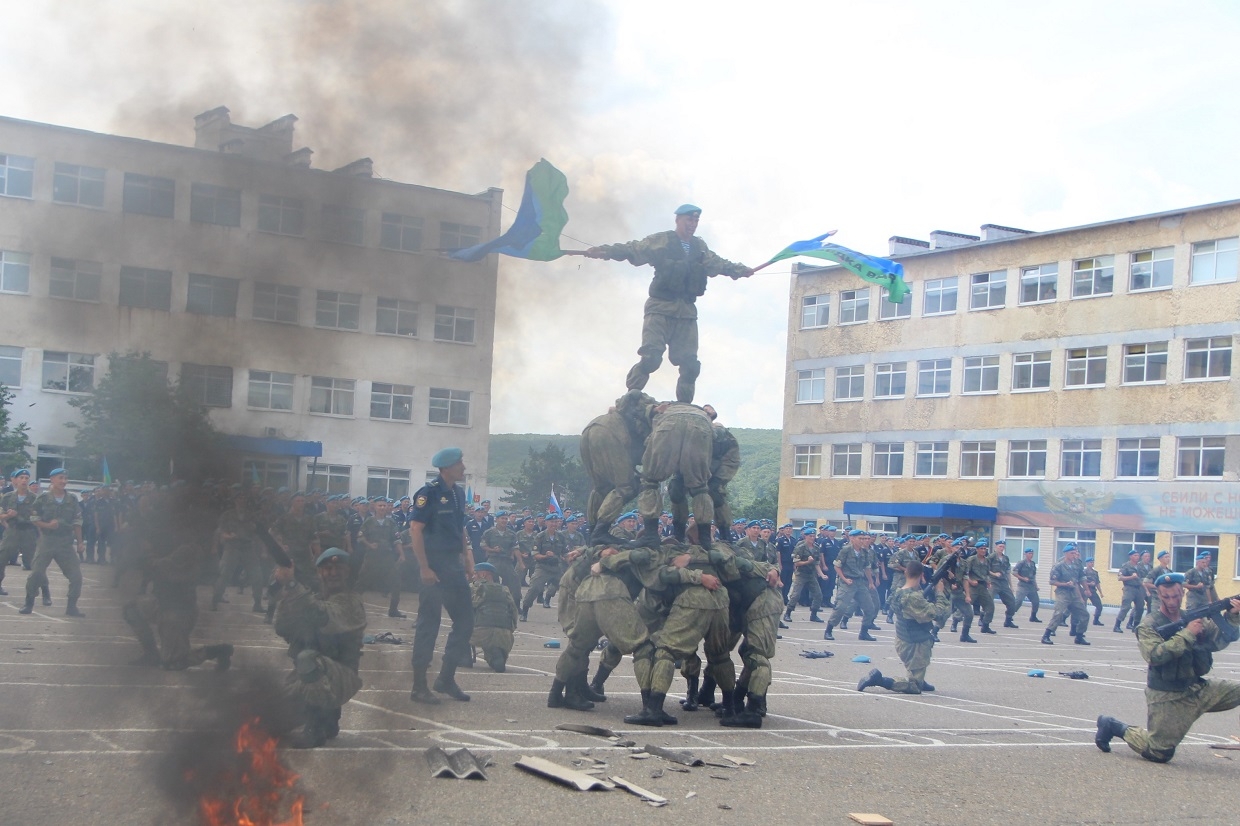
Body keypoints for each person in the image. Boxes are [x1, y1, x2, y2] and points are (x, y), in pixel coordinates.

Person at [584, 204, 754, 403]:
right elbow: (634, 249)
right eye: (688, 220)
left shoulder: (699, 248)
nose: (692, 224)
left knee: (690, 365)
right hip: (660, 308)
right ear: (678, 220)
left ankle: (684, 408)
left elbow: (718, 264)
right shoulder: (663, 241)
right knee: (651, 358)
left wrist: (740, 270)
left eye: (696, 221)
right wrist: (606, 251)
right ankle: (630, 399)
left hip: (686, 312)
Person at [1095, 572, 1240, 763]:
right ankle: (1113, 726)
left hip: (1197, 688)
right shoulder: (1149, 625)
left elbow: (1217, 642)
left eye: (1176, 595)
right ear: (1159, 596)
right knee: (1159, 752)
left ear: (1182, 593)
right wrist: (1187, 634)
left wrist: (1232, 617)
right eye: (1166, 596)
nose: (1172, 601)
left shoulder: (1193, 617)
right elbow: (1155, 655)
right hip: (1167, 695)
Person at [273, 548, 367, 749]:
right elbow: (281, 627)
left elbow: (323, 616)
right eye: (327, 568)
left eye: (339, 568)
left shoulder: (350, 601)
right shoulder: (313, 598)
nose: (333, 573)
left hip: (342, 677)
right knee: (269, 719)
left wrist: (292, 584)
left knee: (308, 659)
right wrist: (288, 595)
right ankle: (329, 721)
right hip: (313, 677)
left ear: (348, 572)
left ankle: (315, 729)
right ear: (319, 572)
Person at [408, 447, 474, 704]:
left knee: (466, 621)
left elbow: (460, 529)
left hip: (453, 566)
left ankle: (446, 678)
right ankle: (418, 685)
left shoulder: (457, 493)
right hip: (433, 566)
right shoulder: (428, 493)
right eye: (460, 463)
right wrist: (424, 567)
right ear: (446, 468)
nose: (463, 467)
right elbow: (415, 530)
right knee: (429, 625)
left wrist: (468, 559)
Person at [124, 541, 234, 671]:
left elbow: (150, 563)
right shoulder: (191, 568)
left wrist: (147, 550)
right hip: (164, 607)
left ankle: (217, 651)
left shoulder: (169, 566)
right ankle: (151, 654)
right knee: (131, 609)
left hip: (177, 617)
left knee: (173, 663)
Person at [858, 560, 950, 695]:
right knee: (914, 687)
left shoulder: (898, 592)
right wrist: (940, 593)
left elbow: (914, 602)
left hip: (903, 639)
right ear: (921, 575)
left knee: (916, 669)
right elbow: (937, 613)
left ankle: (920, 678)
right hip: (915, 644)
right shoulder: (913, 597)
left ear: (906, 572)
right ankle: (881, 680)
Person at [20, 468, 84, 617]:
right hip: (47, 540)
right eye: (60, 478)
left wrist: (80, 542)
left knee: (76, 576)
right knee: (36, 573)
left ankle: (72, 607)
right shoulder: (43, 499)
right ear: (52, 480)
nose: (63, 481)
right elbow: (34, 519)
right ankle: (29, 603)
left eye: (65, 478)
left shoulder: (72, 499)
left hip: (65, 542)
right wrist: (48, 525)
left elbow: (77, 521)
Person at [0, 469, 47, 601]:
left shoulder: (35, 498)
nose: (24, 480)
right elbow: (0, 515)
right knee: (1, 558)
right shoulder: (8, 497)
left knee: (35, 563)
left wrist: (41, 535)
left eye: (27, 478)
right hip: (12, 531)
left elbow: (40, 517)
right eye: (21, 477)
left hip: (28, 532)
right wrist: (8, 515)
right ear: (15, 480)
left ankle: (45, 590)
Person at [469, 562, 518, 673]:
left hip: (481, 632)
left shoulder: (473, 587)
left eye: (475, 574)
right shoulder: (505, 589)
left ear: (483, 575)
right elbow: (514, 611)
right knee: (495, 654)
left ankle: (465, 658)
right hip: (505, 634)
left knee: (459, 631)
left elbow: (465, 608)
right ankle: (497, 655)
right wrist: (511, 629)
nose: (473, 577)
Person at [1041, 544, 1089, 646]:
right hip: (1062, 592)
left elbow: (1081, 578)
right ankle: (1047, 635)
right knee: (1059, 613)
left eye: (1075, 553)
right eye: (1072, 553)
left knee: (1084, 614)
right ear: (1066, 554)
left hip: (1074, 592)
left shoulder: (1077, 565)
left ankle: (1079, 636)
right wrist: (1064, 584)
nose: (1074, 555)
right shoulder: (1059, 565)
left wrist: (1086, 590)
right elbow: (1052, 581)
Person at [783, 527, 824, 623]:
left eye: (814, 536)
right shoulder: (800, 547)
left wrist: (821, 574)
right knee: (795, 595)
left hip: (811, 574)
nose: (812, 538)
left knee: (818, 594)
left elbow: (816, 563)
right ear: (805, 536)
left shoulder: (816, 547)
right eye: (810, 536)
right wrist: (807, 561)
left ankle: (814, 614)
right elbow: (796, 563)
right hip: (801, 574)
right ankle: (788, 613)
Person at [988, 538, 1019, 628]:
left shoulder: (1006, 558)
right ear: (996, 547)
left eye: (1003, 547)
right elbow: (986, 569)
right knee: (989, 601)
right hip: (993, 581)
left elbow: (1008, 572)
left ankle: (1008, 620)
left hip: (1003, 582)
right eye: (1000, 546)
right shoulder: (991, 557)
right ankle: (984, 619)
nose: (1001, 548)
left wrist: (1011, 585)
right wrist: (994, 574)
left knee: (1012, 601)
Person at [1114, 550, 1145, 633]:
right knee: (1126, 607)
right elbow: (1120, 578)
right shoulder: (1126, 566)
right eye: (1135, 555)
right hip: (1129, 588)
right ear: (1130, 556)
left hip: (1139, 588)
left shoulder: (1140, 566)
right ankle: (1117, 625)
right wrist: (1131, 577)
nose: (1137, 557)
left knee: (1140, 608)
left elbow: (1143, 577)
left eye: (1138, 555)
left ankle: (1135, 626)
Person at [1013, 547, 1041, 623]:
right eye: (1029, 553)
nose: (1031, 555)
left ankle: (1033, 616)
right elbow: (1014, 573)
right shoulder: (1021, 563)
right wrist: (1022, 578)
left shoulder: (1032, 564)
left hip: (1031, 585)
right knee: (1018, 601)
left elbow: (1033, 576)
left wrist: (1036, 586)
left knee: (1036, 601)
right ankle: (1010, 615)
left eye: (1032, 553)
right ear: (1025, 554)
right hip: (1023, 585)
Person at [1081, 557, 1104, 627]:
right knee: (1082, 606)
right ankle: (1064, 618)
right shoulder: (1083, 572)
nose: (1092, 563)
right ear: (1087, 563)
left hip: (1093, 590)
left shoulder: (1095, 573)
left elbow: (1097, 583)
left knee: (1099, 606)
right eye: (1091, 562)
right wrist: (1089, 584)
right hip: (1085, 590)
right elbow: (1081, 582)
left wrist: (1101, 592)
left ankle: (1096, 620)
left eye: (1093, 562)